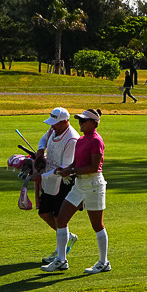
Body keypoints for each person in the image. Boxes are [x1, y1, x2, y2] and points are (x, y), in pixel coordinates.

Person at [43, 108, 110, 274]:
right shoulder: (81, 140)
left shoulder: (96, 140)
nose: (80, 123)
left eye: (84, 121)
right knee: (61, 218)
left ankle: (103, 262)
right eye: (79, 120)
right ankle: (61, 259)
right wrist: (66, 169)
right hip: (80, 185)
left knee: (97, 225)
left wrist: (70, 172)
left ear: (94, 123)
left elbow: (94, 167)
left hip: (94, 185)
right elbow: (75, 163)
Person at [35, 107, 80, 265]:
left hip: (64, 182)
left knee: (58, 217)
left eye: (55, 123)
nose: (52, 126)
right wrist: (41, 151)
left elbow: (64, 168)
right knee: (44, 212)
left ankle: (60, 255)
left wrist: (41, 176)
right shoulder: (53, 129)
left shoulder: (72, 139)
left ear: (65, 121)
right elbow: (43, 139)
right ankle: (67, 237)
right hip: (50, 179)